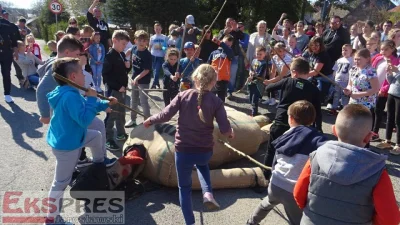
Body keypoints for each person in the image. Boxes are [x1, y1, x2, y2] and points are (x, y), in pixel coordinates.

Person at [143, 64, 234, 225]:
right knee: (202, 166)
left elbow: (165, 115)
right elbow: (225, 127)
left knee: (184, 189)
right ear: (214, 82)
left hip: (183, 149)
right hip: (204, 149)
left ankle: (190, 223)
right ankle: (207, 193)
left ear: (195, 79)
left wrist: (151, 120)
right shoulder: (216, 101)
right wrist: (230, 133)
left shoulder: (183, 95)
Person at [293, 104, 400, 225]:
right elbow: (390, 219)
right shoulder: (377, 171)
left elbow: (298, 194)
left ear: (333, 130)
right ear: (369, 137)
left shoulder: (315, 157)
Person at [43, 58, 118, 225]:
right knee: (60, 182)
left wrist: (104, 103)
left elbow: (84, 107)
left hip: (74, 137)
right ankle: (51, 219)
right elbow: (84, 119)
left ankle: (100, 163)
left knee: (97, 136)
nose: (86, 75)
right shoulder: (69, 96)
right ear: (73, 76)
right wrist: (92, 99)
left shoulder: (68, 91)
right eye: (82, 71)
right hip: (67, 146)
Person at [247, 100, 327, 225]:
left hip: (276, 182)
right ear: (312, 120)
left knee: (266, 203)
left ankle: (251, 222)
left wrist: (273, 174)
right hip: (294, 189)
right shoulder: (317, 139)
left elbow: (275, 159)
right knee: (297, 218)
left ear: (290, 119)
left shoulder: (286, 134)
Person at [263, 58, 322, 180]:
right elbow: (318, 111)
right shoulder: (313, 89)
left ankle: (266, 176)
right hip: (301, 129)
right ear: (307, 72)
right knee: (294, 153)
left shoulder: (287, 81)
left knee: (271, 150)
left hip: (281, 122)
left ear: (294, 72)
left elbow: (269, 88)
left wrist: (271, 82)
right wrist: (318, 128)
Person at [102, 30, 131, 150]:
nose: (124, 46)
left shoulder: (122, 54)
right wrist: (117, 86)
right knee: (112, 114)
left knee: (121, 112)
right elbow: (106, 75)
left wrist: (129, 67)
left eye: (125, 44)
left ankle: (120, 133)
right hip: (113, 91)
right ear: (115, 41)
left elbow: (123, 72)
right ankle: (108, 139)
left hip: (122, 90)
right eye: (123, 44)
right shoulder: (109, 56)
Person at [371, 40, 399, 141]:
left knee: (379, 111)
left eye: (386, 49)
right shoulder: (378, 58)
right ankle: (371, 131)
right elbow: (372, 70)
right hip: (374, 87)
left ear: (392, 49)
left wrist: (383, 89)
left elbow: (392, 77)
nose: (383, 51)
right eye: (382, 49)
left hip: (385, 91)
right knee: (373, 110)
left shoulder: (395, 60)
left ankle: (375, 133)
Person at [125, 30, 152, 129]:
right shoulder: (133, 48)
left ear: (147, 42)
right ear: (135, 40)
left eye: (144, 40)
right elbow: (126, 53)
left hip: (143, 81)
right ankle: (133, 119)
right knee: (133, 100)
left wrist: (137, 78)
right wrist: (125, 60)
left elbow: (147, 70)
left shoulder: (147, 54)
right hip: (134, 80)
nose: (141, 42)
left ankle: (148, 121)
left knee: (144, 102)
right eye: (139, 40)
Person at [343, 48, 379, 122]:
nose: (356, 61)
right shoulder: (353, 69)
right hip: (353, 102)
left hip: (366, 104)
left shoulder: (370, 71)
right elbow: (350, 84)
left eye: (359, 59)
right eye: (355, 59)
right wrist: (348, 90)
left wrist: (359, 95)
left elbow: (375, 89)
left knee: (362, 127)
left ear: (367, 59)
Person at [376, 61, 400, 154]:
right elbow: (392, 80)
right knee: (389, 117)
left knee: (398, 120)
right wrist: (389, 73)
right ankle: (388, 141)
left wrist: (397, 70)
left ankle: (398, 144)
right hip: (392, 92)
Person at [218, 18, 245, 98]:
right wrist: (223, 34)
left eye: (231, 23)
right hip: (223, 56)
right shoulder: (222, 31)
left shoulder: (236, 31)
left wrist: (236, 29)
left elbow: (242, 37)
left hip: (234, 56)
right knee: (222, 74)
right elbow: (217, 41)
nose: (229, 24)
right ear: (225, 24)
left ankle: (230, 91)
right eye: (228, 23)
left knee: (232, 75)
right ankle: (222, 90)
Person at [305, 36, 334, 104]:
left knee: (318, 94)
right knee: (301, 84)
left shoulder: (322, 55)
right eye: (312, 45)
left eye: (316, 45)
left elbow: (315, 72)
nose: (314, 47)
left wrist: (302, 74)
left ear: (321, 45)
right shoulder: (313, 53)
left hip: (323, 78)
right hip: (314, 77)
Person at [263, 42, 292, 106]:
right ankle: (271, 98)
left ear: (284, 51)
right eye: (276, 51)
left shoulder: (288, 60)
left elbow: (282, 76)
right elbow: (273, 71)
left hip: (287, 77)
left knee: (281, 89)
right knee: (270, 84)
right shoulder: (274, 57)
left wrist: (270, 81)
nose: (277, 52)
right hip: (279, 74)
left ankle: (281, 102)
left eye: (280, 51)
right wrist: (270, 81)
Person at [328, 44, 353, 115]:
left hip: (345, 81)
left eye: (346, 50)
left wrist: (350, 83)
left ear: (350, 51)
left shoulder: (352, 60)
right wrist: (333, 78)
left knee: (344, 96)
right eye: (343, 50)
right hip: (337, 81)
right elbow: (335, 70)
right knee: (336, 95)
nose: (344, 51)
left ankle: (345, 110)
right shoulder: (339, 60)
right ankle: (334, 108)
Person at [0, 8, 19, 103]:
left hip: (6, 52)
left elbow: (13, 39)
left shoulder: (7, 24)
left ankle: (7, 94)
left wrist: (16, 51)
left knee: (6, 74)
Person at [208, 35, 234, 102]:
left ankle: (219, 111)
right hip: (213, 78)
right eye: (225, 44)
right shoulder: (213, 53)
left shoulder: (229, 53)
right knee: (211, 97)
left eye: (229, 45)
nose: (226, 46)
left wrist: (221, 43)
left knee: (221, 99)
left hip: (223, 79)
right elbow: (208, 64)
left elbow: (229, 52)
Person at [247, 46, 267, 116]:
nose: (258, 55)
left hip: (258, 84)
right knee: (250, 97)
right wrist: (250, 72)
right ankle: (253, 110)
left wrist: (253, 75)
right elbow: (250, 69)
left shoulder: (263, 64)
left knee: (254, 99)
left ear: (264, 54)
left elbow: (260, 74)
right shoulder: (254, 60)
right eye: (257, 54)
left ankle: (254, 113)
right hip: (252, 82)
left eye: (260, 54)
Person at [149, 22, 168, 89]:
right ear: (154, 29)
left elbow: (166, 48)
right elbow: (150, 46)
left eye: (159, 29)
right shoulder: (152, 37)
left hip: (161, 56)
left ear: (161, 29)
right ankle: (156, 84)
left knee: (157, 71)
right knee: (155, 71)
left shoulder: (165, 37)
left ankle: (155, 84)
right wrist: (149, 55)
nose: (158, 30)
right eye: (156, 29)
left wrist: (161, 48)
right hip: (153, 56)